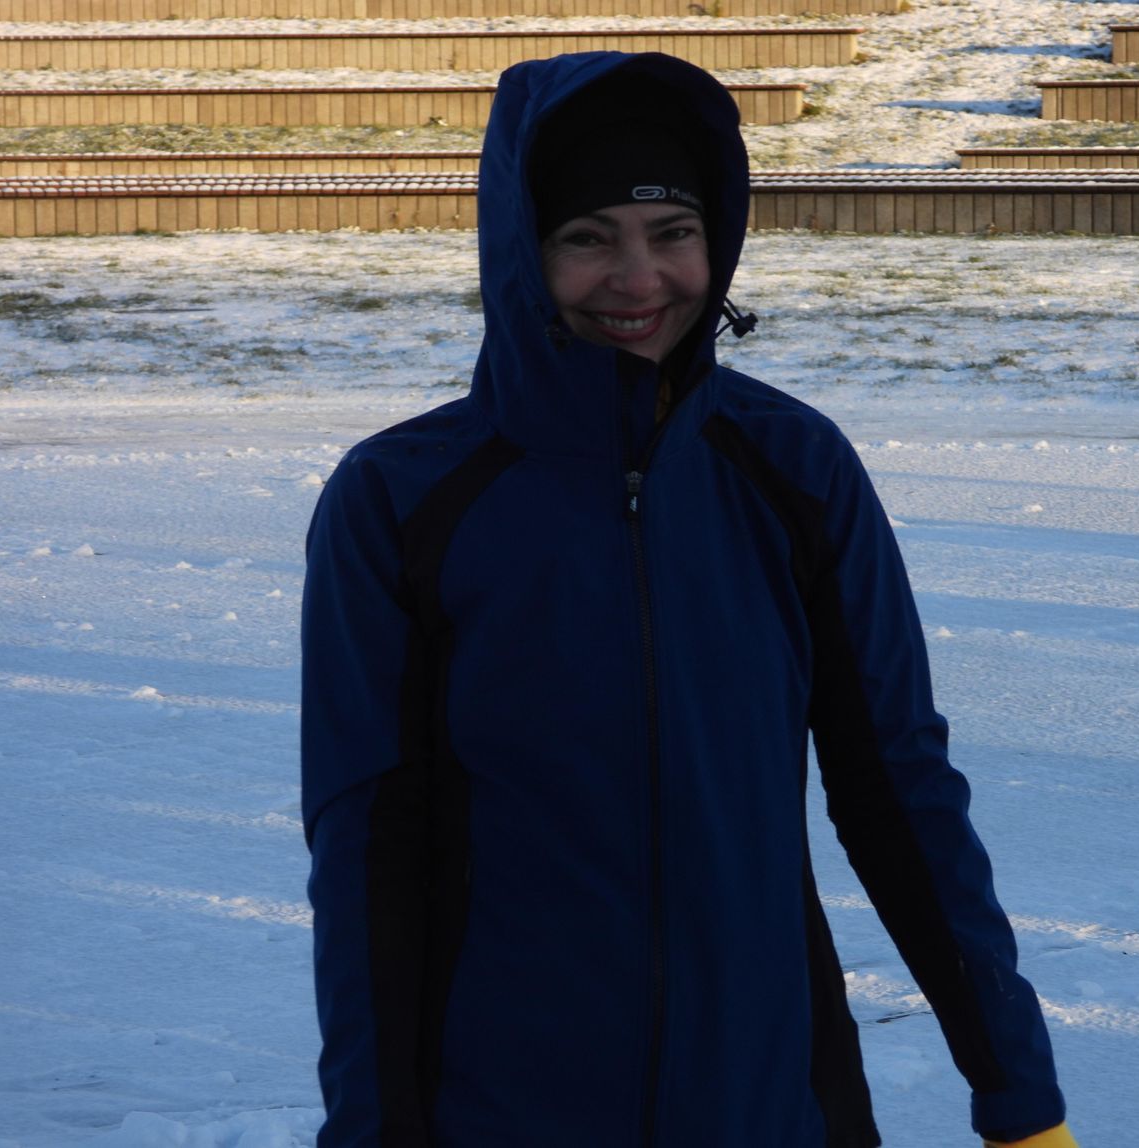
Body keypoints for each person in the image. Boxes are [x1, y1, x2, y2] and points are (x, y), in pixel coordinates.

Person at [301, 50, 1077, 1148]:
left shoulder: (792, 469)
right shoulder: (402, 499)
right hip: (501, 1110)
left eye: (672, 233)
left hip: (775, 1102)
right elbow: (368, 852)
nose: (639, 279)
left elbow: (899, 788)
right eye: (588, 238)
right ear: (522, 252)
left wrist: (1018, 1093)